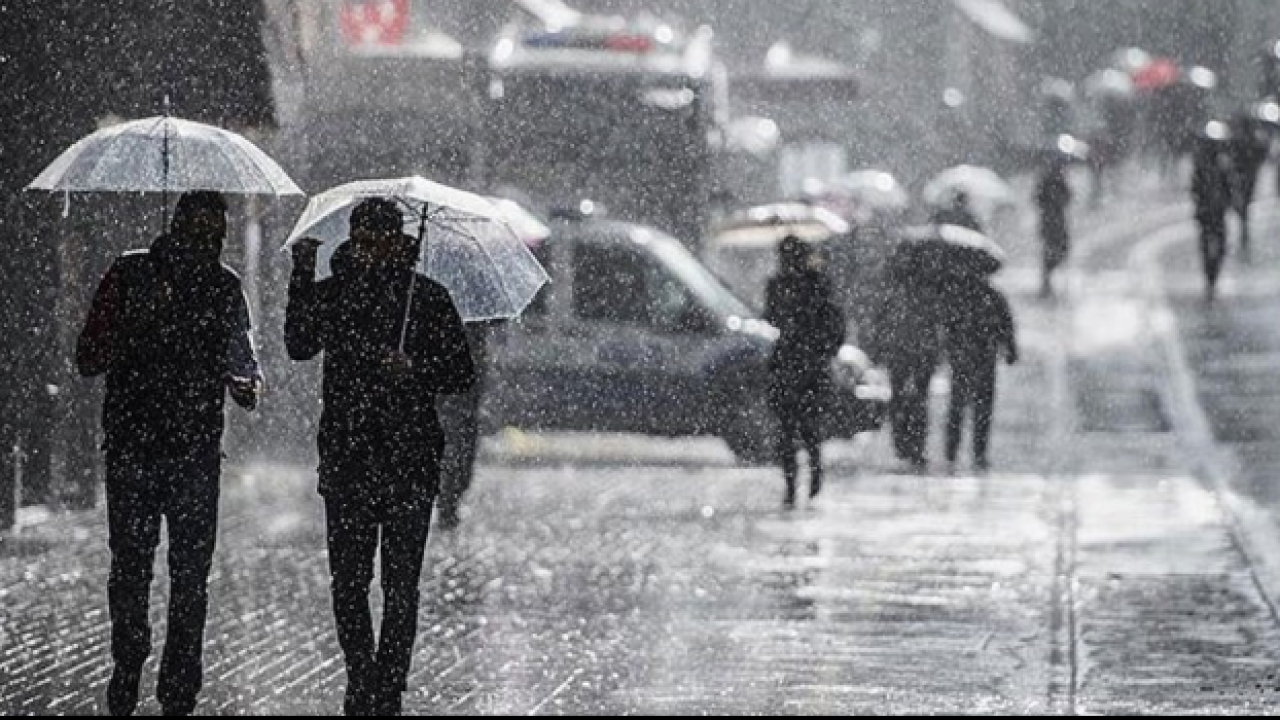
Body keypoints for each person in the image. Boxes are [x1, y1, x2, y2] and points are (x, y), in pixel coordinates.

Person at [75, 191, 263, 717]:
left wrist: (244, 385)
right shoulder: (130, 275)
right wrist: (138, 322)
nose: (206, 243)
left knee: (190, 575)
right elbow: (87, 356)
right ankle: (129, 658)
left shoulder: (224, 288)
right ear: (175, 227)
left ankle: (180, 682)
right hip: (134, 447)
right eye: (198, 231)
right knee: (131, 567)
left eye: (215, 235)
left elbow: (244, 364)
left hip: (195, 451)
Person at [286, 197, 476, 716]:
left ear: (398, 242)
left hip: (409, 459)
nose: (367, 251)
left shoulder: (427, 298)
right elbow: (299, 344)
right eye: (361, 241)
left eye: (377, 241)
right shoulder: (335, 292)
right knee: (349, 583)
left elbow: (460, 374)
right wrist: (302, 275)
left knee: (400, 584)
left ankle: (389, 683)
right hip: (348, 457)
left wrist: (414, 369)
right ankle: (361, 675)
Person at [763, 236, 844, 508]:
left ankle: (808, 477)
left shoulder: (815, 284)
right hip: (794, 364)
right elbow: (771, 317)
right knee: (793, 430)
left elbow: (832, 323)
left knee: (802, 429)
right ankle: (796, 482)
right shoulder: (782, 284)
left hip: (803, 364)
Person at [867, 254, 946, 472]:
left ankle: (903, 443)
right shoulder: (928, 297)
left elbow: (879, 325)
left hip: (900, 354)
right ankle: (915, 444)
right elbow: (936, 327)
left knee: (900, 398)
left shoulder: (893, 296)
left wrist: (878, 350)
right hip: (919, 355)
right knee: (918, 399)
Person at [941, 276, 1018, 473]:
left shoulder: (958, 297)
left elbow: (947, 328)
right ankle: (978, 453)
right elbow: (1006, 327)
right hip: (984, 359)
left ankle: (952, 451)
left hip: (963, 360)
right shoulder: (994, 297)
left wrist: (950, 349)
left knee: (958, 406)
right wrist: (1010, 350)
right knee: (981, 408)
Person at [434, 320, 497, 530]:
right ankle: (447, 498)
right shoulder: (459, 333)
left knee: (458, 455)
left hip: (461, 408)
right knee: (455, 453)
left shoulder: (475, 336)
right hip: (452, 406)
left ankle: (448, 498)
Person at [1191, 128, 1235, 302]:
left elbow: (1228, 186)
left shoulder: (1221, 164)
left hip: (1215, 212)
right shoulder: (1203, 164)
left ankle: (1212, 275)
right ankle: (1210, 276)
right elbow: (1195, 189)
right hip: (1208, 213)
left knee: (1218, 245)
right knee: (1211, 244)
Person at [1228, 112, 1270, 261]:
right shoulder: (1245, 140)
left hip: (1245, 175)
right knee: (1242, 203)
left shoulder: (1243, 140)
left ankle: (1243, 228)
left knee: (1243, 203)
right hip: (1244, 175)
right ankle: (1243, 228)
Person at [1035, 158, 1073, 299]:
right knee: (1052, 251)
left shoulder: (1057, 181)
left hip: (1055, 222)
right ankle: (1047, 282)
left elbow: (1068, 198)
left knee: (1057, 250)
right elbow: (1038, 199)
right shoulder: (1048, 182)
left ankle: (1047, 281)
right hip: (1051, 222)